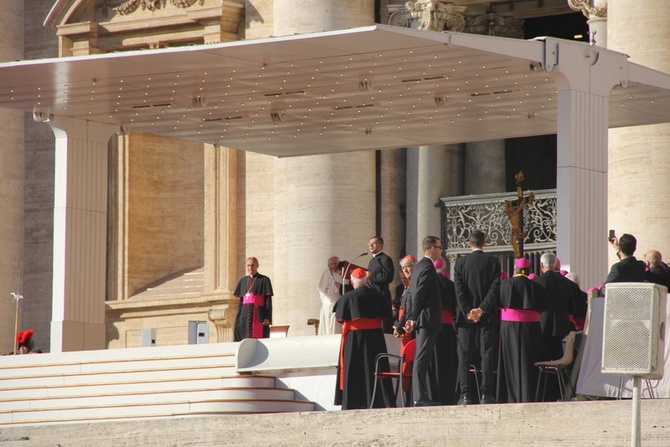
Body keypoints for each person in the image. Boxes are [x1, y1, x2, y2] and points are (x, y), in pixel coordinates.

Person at [333, 268, 393, 410]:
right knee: (375, 368)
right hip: (375, 338)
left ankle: (353, 402)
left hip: (354, 339)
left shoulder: (346, 298)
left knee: (354, 370)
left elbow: (340, 318)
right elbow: (386, 316)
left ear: (353, 281)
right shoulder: (379, 296)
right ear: (366, 281)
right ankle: (380, 401)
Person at [453, 230, 501, 405]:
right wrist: (481, 309)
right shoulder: (493, 262)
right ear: (484, 243)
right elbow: (494, 289)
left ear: (469, 244)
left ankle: (464, 394)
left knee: (464, 355)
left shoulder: (460, 263)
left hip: (465, 318)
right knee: (486, 354)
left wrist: (468, 311)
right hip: (486, 316)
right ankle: (486, 394)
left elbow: (458, 290)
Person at [497, 258, 549, 404]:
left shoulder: (504, 285)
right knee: (529, 362)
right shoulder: (537, 287)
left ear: (515, 270)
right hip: (530, 329)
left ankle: (510, 397)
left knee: (510, 361)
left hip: (508, 329)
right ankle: (529, 395)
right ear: (530, 270)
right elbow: (544, 307)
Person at [404, 236, 443, 406]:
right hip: (427, 319)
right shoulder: (427, 267)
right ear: (432, 248)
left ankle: (421, 395)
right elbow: (418, 293)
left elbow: (412, 294)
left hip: (423, 319)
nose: (442, 250)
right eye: (440, 247)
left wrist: (411, 316)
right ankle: (419, 397)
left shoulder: (419, 266)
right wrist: (412, 317)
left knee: (423, 358)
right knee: (421, 358)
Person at [532, 252, 578, 361]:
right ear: (555, 264)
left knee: (543, 359)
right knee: (559, 359)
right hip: (561, 327)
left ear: (542, 265)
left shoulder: (535, 283)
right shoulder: (567, 283)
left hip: (542, 327)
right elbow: (572, 309)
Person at [432, 258, 458, 405]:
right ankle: (449, 395)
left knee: (435, 363)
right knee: (448, 363)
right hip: (448, 329)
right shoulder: (451, 285)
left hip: (434, 328)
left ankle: (435, 395)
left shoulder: (430, 283)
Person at [233, 257, 274, 341]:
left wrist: (267, 317)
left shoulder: (264, 280)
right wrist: (238, 317)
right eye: (248, 265)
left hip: (258, 314)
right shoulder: (243, 281)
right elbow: (241, 302)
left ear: (257, 266)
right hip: (244, 316)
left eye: (252, 265)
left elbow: (268, 300)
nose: (250, 268)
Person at [366, 236, 395, 333]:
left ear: (380, 245)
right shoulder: (372, 261)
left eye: (373, 243)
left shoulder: (385, 259)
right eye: (369, 243)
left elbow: (388, 277)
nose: (370, 245)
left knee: (384, 327)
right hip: (371, 296)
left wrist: (371, 276)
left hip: (381, 295)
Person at [317, 256, 342, 335]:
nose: (333, 266)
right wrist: (325, 301)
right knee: (326, 331)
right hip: (326, 306)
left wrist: (340, 287)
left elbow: (346, 289)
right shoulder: (325, 273)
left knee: (336, 331)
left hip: (337, 306)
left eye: (335, 263)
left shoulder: (342, 273)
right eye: (331, 264)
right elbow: (321, 289)